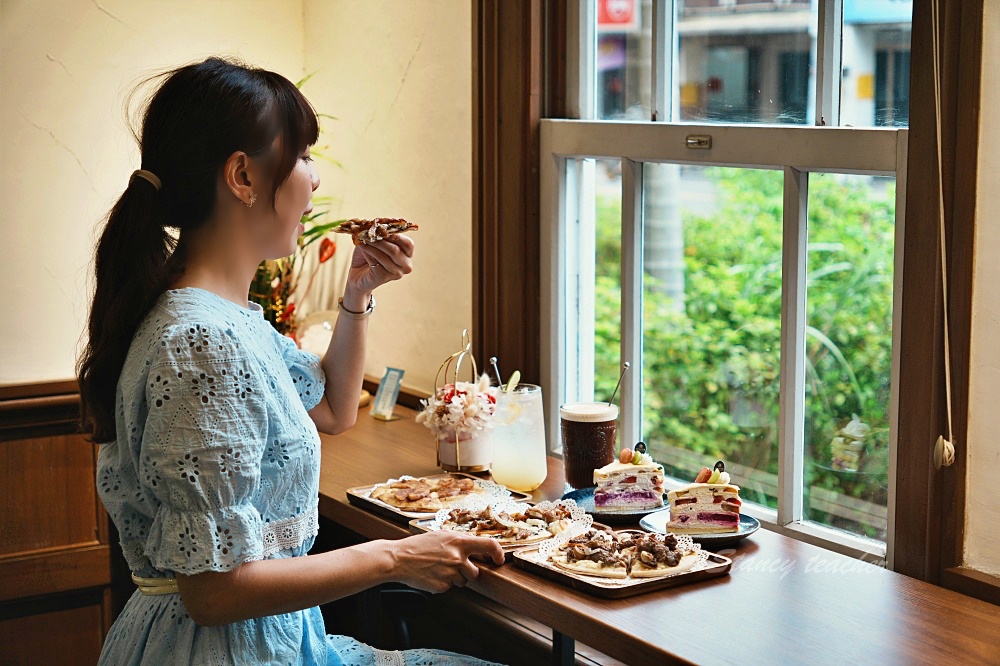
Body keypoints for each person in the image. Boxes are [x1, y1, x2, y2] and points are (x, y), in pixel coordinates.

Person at [77, 57, 505, 665]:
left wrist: (357, 294)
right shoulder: (200, 342)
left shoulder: (225, 317)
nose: (314, 182)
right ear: (243, 177)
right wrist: (396, 557)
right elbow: (214, 593)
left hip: (265, 637)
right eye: (303, 157)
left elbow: (333, 408)